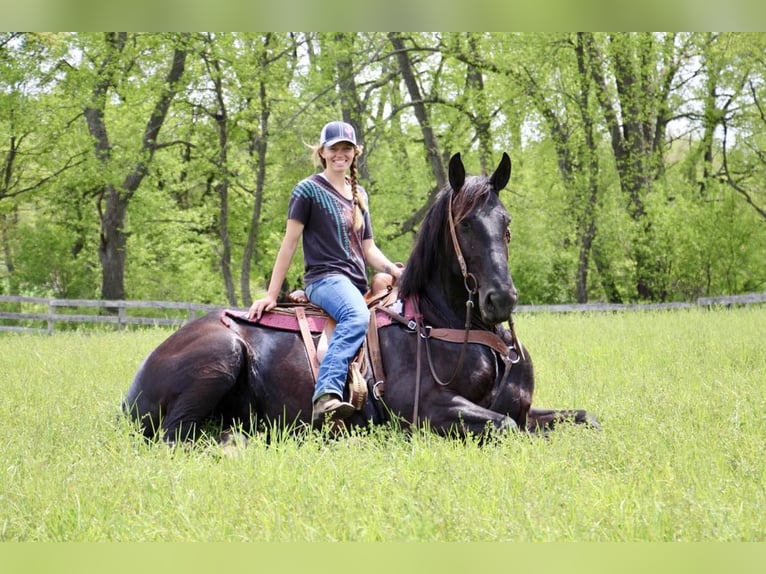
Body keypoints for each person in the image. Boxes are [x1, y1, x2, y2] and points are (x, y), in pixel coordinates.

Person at [248, 120, 402, 428]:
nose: (340, 155)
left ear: (355, 153)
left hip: (356, 283)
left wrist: (393, 270)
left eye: (346, 149)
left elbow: (368, 248)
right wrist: (270, 293)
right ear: (322, 152)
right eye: (334, 149)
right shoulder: (308, 191)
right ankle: (326, 393)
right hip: (325, 280)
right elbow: (289, 244)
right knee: (357, 317)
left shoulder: (360, 195)